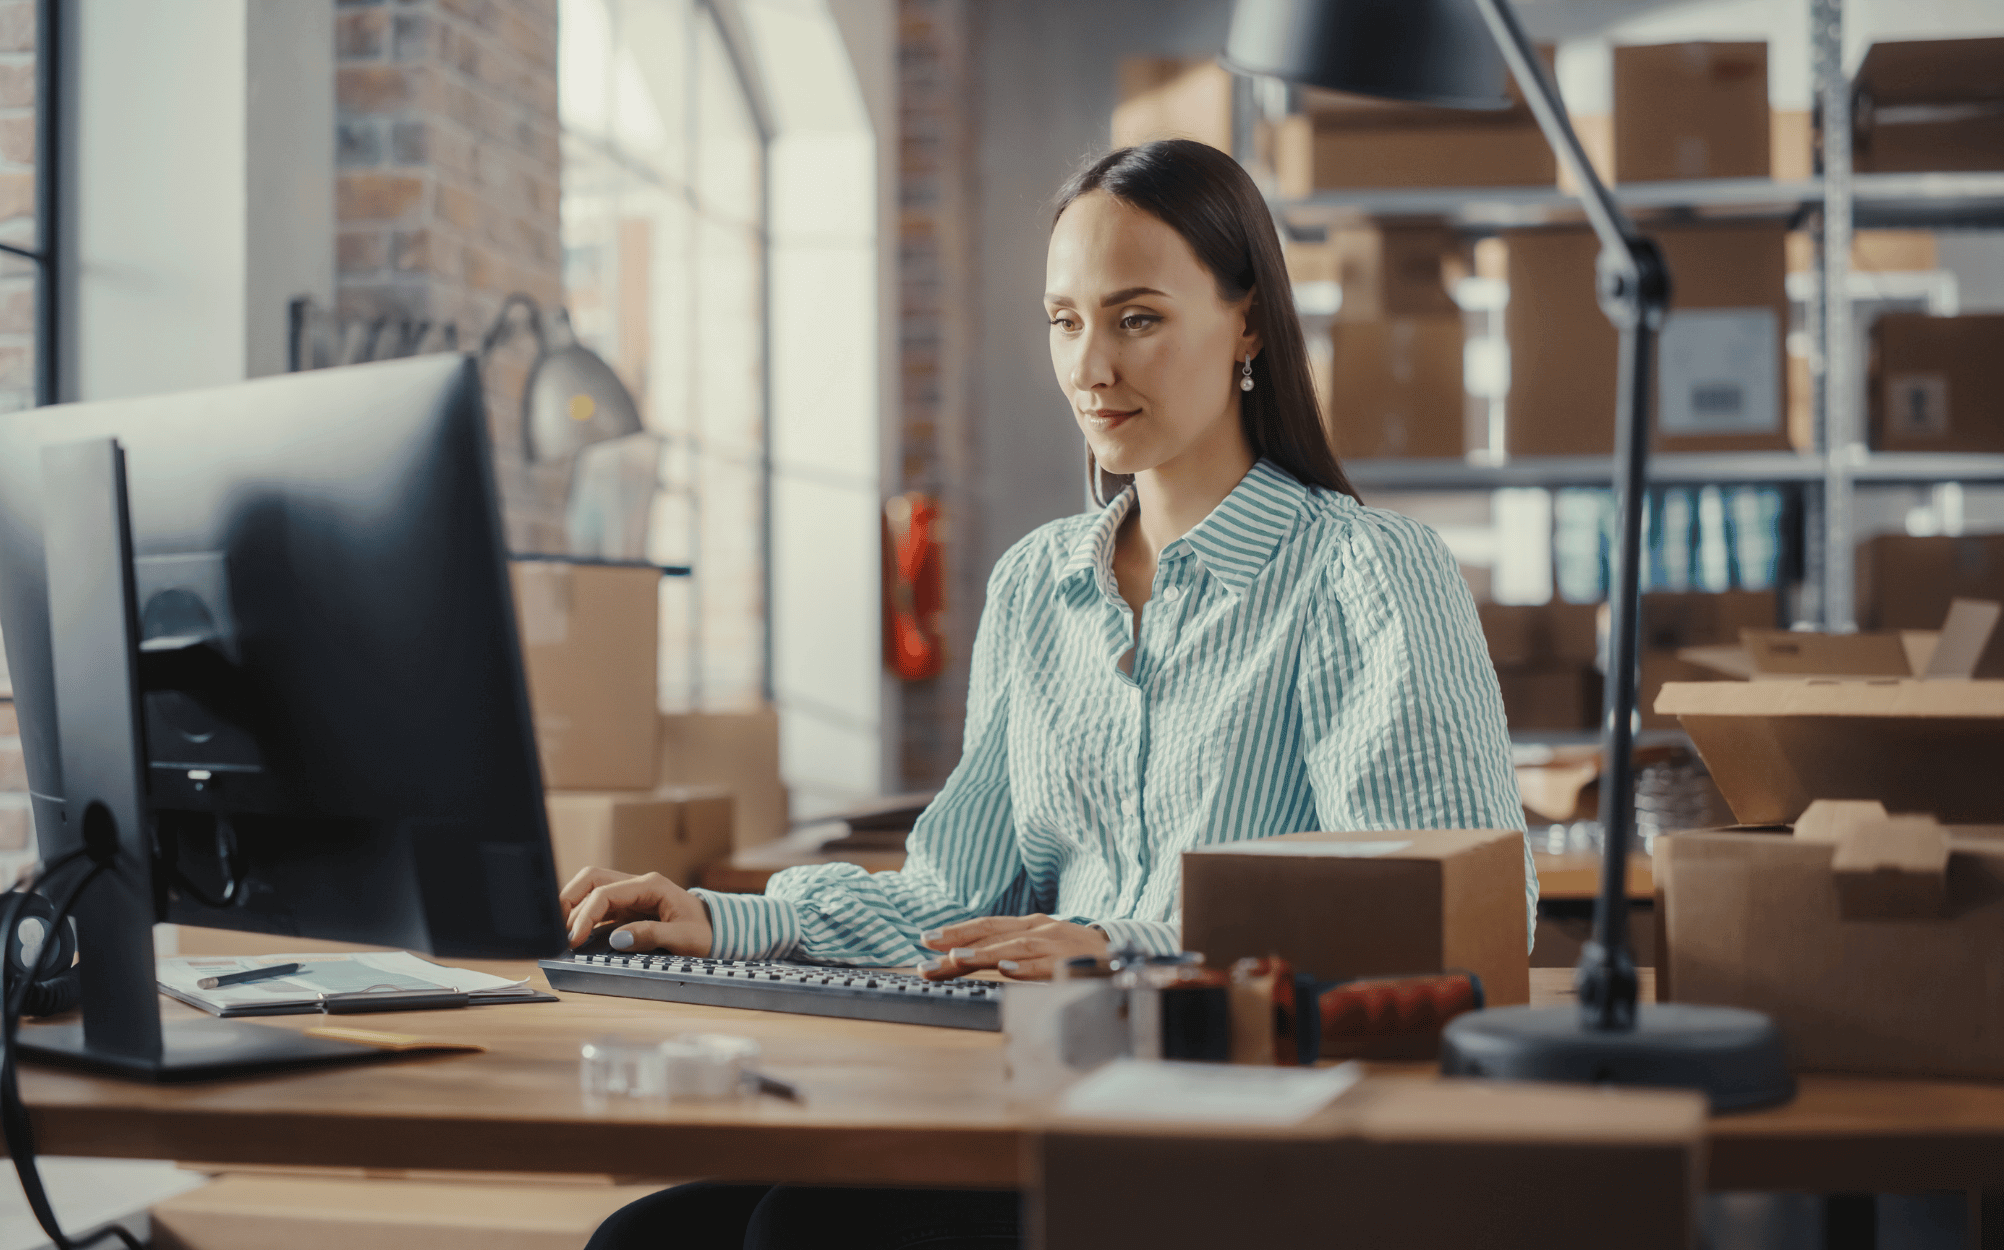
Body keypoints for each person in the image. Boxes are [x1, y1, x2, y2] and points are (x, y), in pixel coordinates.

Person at [576, 138, 1532, 1250]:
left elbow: (1449, 933)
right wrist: (729, 919)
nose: (1089, 366)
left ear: (1249, 325)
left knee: (805, 1230)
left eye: (1136, 318)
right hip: (1041, 1098)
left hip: (1252, 1137)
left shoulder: (1365, 573)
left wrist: (1119, 955)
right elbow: (953, 900)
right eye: (1063, 320)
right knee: (651, 1236)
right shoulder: (1037, 582)